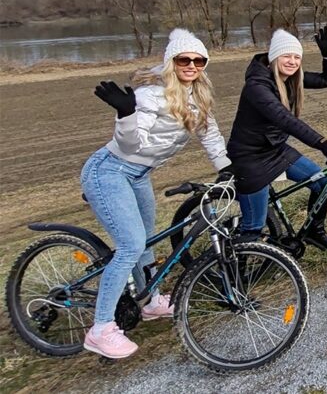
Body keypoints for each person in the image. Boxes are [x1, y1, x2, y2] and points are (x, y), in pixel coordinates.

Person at [79, 28, 231, 359]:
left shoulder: (197, 96)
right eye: (184, 59)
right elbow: (131, 145)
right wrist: (126, 114)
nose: (191, 65)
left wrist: (226, 167)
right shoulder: (151, 96)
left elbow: (211, 134)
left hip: (138, 174)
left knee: (147, 240)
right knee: (131, 244)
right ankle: (101, 328)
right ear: (170, 62)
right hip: (110, 170)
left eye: (199, 60)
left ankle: (149, 302)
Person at [227, 27, 327, 249]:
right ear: (273, 57)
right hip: (251, 158)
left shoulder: (291, 77)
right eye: (286, 56)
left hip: (276, 150)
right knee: (253, 226)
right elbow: (284, 119)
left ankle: (314, 231)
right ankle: (236, 274)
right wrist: (324, 145)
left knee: (321, 183)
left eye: (296, 57)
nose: (292, 62)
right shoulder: (257, 86)